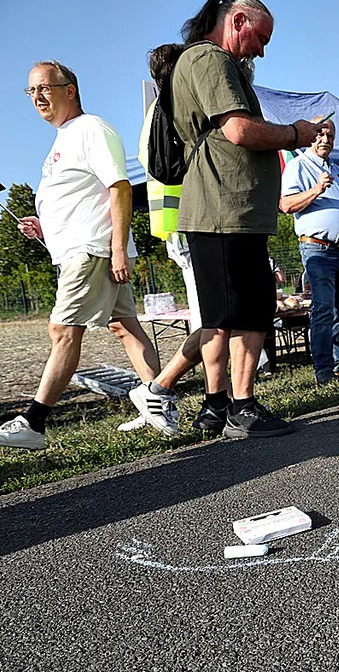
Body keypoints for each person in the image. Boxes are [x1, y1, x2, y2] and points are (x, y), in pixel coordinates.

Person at [169, 0, 321, 438]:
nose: (261, 50)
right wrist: (296, 133)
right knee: (248, 312)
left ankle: (216, 407)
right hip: (225, 210)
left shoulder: (203, 61)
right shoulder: (210, 59)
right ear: (238, 21)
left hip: (224, 212)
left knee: (222, 315)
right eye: (260, 37)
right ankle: (242, 407)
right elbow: (238, 129)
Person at [0, 61, 162, 450]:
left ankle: (34, 423)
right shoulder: (62, 139)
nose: (38, 96)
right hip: (85, 248)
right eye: (31, 91)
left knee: (61, 331)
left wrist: (118, 249)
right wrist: (44, 226)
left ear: (70, 90)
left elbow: (119, 188)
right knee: (125, 326)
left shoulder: (90, 128)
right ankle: (160, 405)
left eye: (45, 87)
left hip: (94, 251)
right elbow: (80, 199)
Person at [122, 44, 208, 436]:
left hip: (187, 225)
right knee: (214, 323)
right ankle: (159, 389)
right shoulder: (171, 112)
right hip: (191, 225)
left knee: (218, 322)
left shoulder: (161, 111)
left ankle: (215, 400)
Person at [280, 116, 339, 385]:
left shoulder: (336, 169)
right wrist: (316, 189)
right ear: (310, 136)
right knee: (324, 310)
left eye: (330, 135)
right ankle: (324, 369)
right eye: (320, 133)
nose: (326, 139)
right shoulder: (298, 166)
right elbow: (286, 204)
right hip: (318, 250)